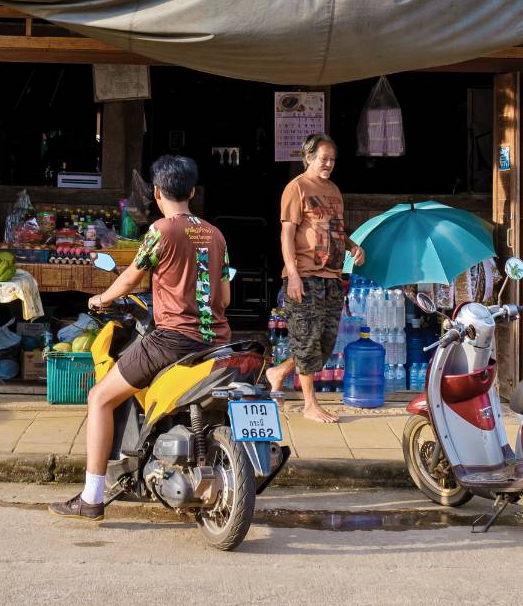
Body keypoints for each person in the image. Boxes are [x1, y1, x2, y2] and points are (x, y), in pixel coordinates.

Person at [50, 155, 232, 520]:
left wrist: (101, 298)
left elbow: (132, 277)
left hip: (172, 341)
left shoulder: (161, 231)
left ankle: (91, 498)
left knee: (100, 398)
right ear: (192, 191)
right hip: (217, 341)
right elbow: (224, 298)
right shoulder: (215, 234)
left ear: (157, 192)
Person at [266, 133, 364, 423]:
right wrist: (293, 274)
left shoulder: (333, 189)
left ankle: (279, 371)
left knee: (324, 343)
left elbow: (335, 229)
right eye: (324, 159)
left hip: (332, 276)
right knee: (306, 339)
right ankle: (310, 403)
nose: (329, 164)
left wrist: (353, 246)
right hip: (305, 275)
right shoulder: (296, 188)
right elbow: (286, 234)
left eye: (333, 159)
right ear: (308, 158)